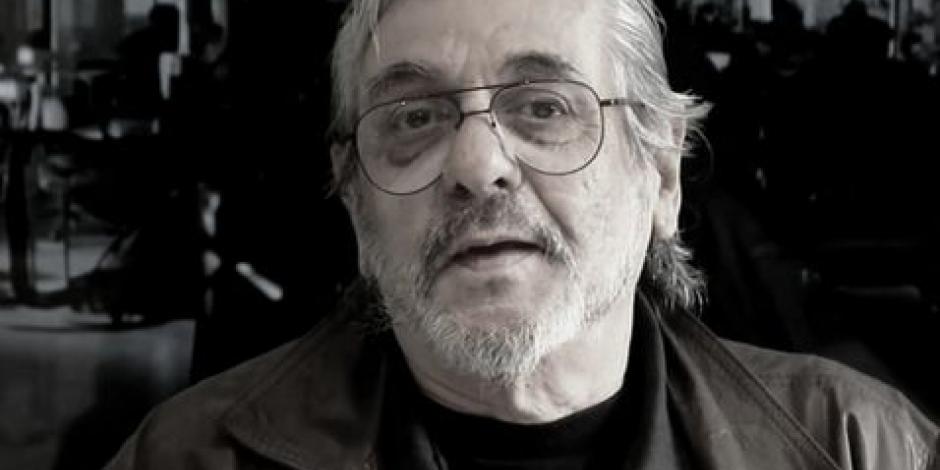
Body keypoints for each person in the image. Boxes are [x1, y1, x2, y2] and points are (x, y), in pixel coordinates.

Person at [106, 0, 939, 468]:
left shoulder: (860, 447)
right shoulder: (186, 458)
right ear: (356, 204)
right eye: (414, 117)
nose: (477, 166)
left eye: (544, 107)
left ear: (661, 175)